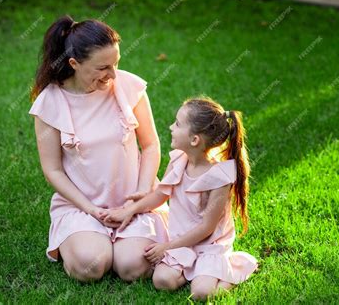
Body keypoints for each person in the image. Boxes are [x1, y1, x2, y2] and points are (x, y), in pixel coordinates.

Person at [29, 15, 168, 282]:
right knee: (89, 267)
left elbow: (150, 146)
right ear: (74, 64)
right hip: (81, 205)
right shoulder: (50, 103)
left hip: (133, 200)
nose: (113, 74)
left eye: (116, 63)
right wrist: (91, 210)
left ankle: (124, 242)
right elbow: (53, 170)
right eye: (103, 67)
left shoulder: (129, 86)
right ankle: (90, 239)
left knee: (133, 267)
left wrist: (140, 196)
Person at [103, 97, 258, 299]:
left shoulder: (220, 177)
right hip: (181, 240)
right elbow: (160, 195)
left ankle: (234, 269)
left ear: (194, 140)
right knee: (162, 281)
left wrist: (166, 248)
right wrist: (129, 210)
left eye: (177, 124)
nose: (170, 127)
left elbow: (206, 228)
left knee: (202, 293)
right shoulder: (178, 160)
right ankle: (193, 270)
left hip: (209, 245)